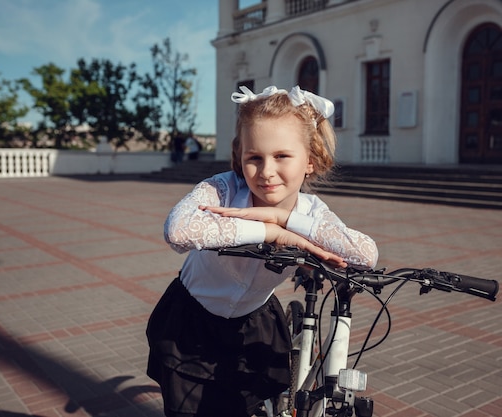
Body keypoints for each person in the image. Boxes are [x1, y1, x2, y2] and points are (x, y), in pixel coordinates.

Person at [146, 85, 379, 417]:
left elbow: (365, 254)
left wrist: (284, 219)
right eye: (254, 157)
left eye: (282, 156)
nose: (267, 171)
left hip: (253, 325)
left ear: (310, 161)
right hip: (192, 322)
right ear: (240, 157)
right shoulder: (221, 189)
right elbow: (179, 231)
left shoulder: (312, 211)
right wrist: (268, 231)